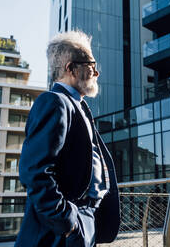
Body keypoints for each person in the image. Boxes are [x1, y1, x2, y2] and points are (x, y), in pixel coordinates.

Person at [15, 31, 120, 247]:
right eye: (91, 65)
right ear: (71, 68)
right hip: (61, 230)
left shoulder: (76, 106)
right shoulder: (54, 102)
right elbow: (35, 172)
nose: (97, 72)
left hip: (84, 220)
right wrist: (68, 223)